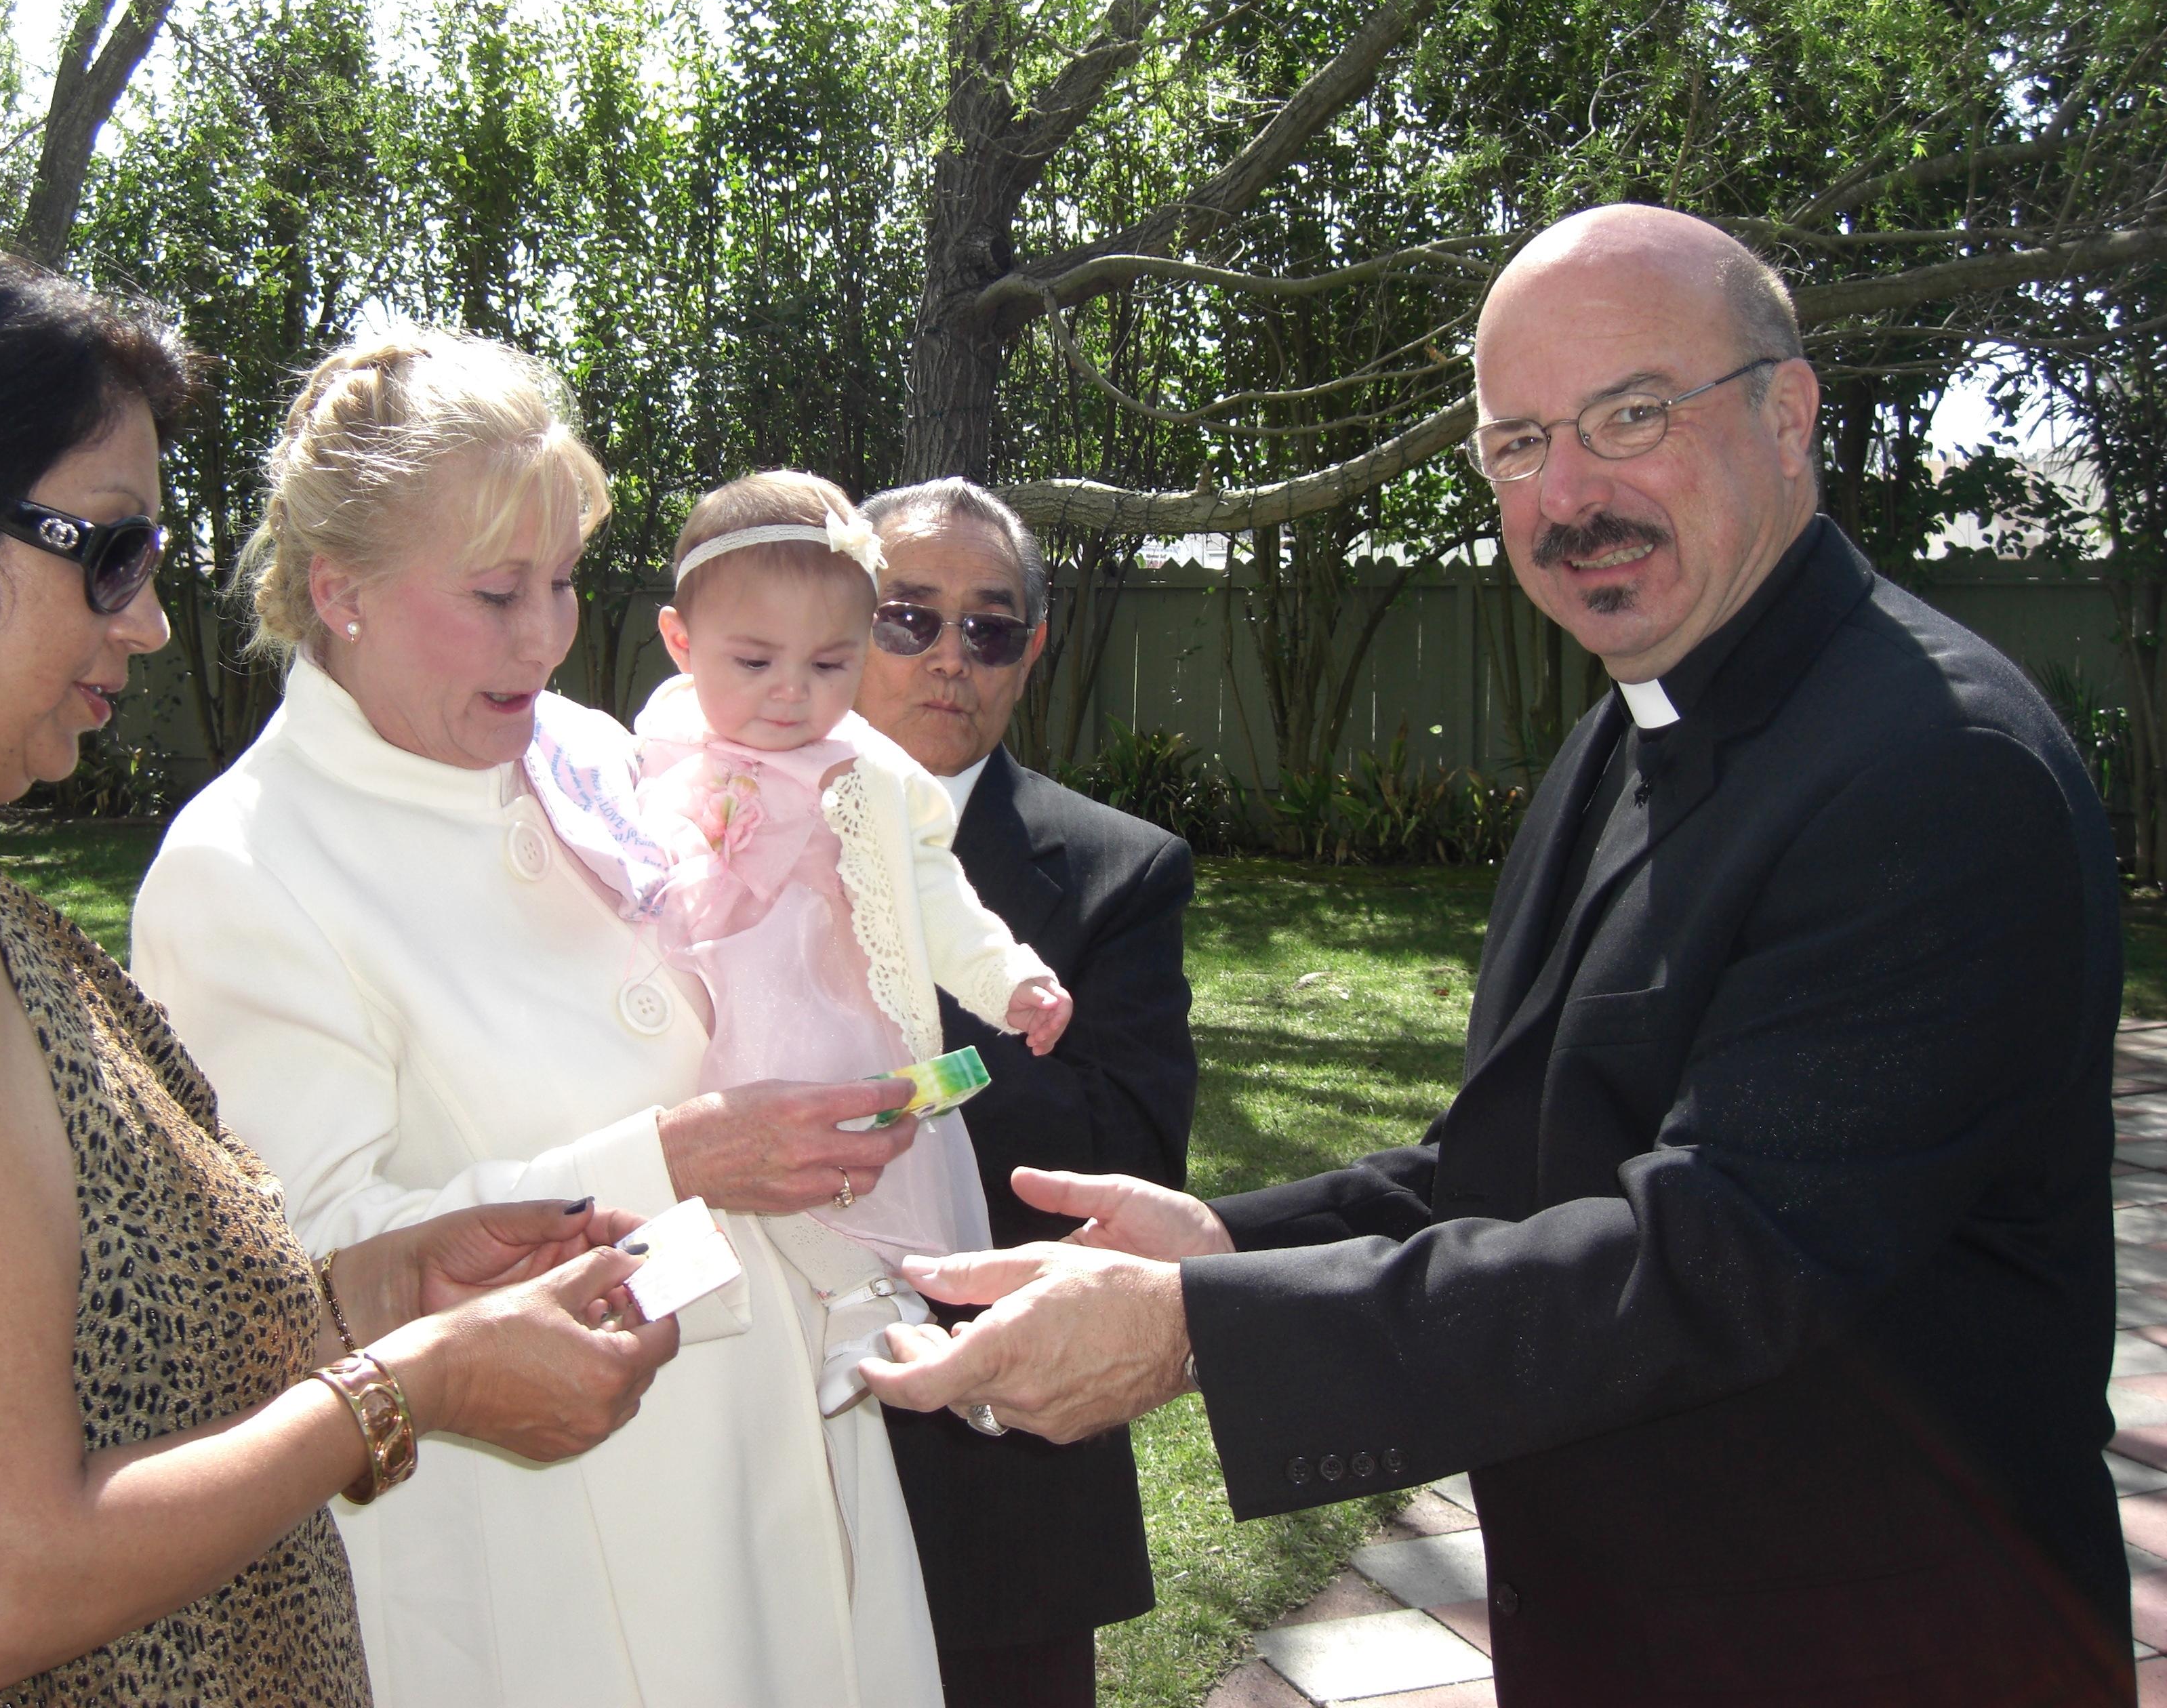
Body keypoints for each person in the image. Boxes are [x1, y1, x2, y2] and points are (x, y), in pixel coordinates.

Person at [865, 205, 2129, 1706]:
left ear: (1788, 414)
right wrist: (1227, 1242)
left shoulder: (1934, 765)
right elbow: (1520, 1156)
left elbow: (1717, 1257)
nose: (1571, 491)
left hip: (1872, 1646)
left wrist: (1204, 1335)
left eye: (1632, 416)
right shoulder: (1631, 721)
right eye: (1518, 443)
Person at [0, 241, 674, 1702]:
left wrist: (376, 1289)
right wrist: (410, 1390)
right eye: (109, 549)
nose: (147, 620)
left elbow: (82, 1371)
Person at [129, 335, 943, 1708]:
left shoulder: (583, 746)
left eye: (563, 582)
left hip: (776, 1461)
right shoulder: (242, 872)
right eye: (500, 592)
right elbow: (312, 1276)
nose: (546, 635)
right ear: (343, 595)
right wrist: (676, 1161)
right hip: (554, 1559)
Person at [853, 478, 1199, 1708]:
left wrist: (909, 1077)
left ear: (1030, 651)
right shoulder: (697, 832)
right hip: (754, 1448)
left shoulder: (1118, 873)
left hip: (995, 1476)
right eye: (910, 618)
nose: (951, 656)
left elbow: (1125, 1152)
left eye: (989, 628)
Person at [632, 469, 1072, 1409]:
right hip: (702, 1019)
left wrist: (1010, 981)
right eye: (754, 664)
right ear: (681, 641)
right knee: (710, 1191)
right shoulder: (654, 747)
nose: (792, 695)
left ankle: (871, 1321)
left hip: (827, 1015)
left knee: (863, 1181)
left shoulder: (869, 771)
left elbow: (934, 893)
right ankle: (695, 1326)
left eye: (830, 666)